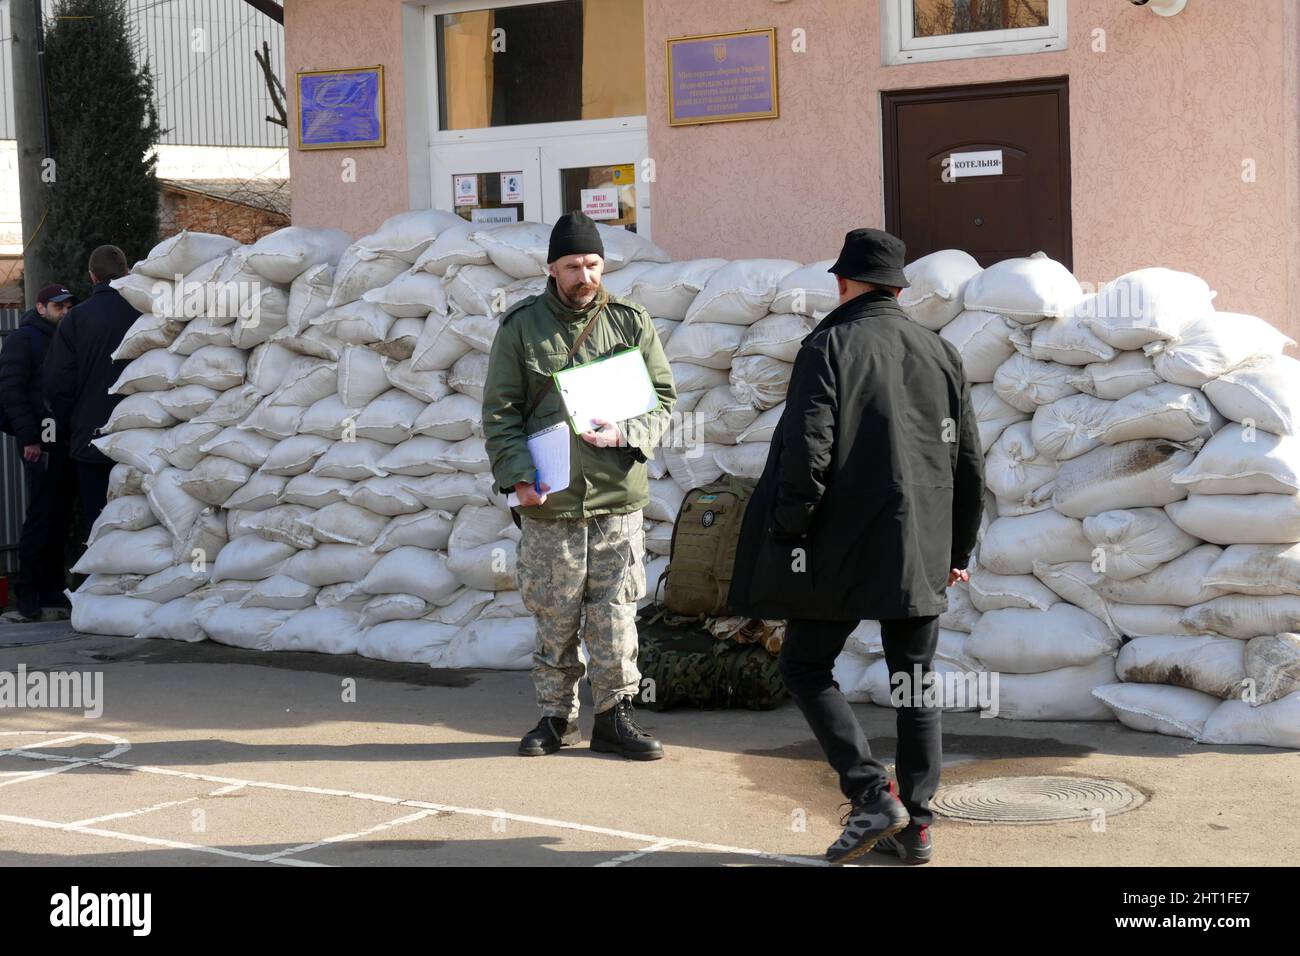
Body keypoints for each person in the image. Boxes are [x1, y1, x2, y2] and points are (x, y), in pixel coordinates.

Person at [727, 228, 985, 865]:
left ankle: (871, 792)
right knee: (915, 687)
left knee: (805, 667)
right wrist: (957, 549)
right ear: (898, 288)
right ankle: (916, 827)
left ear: (842, 284)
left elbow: (807, 450)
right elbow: (968, 462)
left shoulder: (830, 344)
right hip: (920, 547)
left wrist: (787, 531)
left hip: (836, 547)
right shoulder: (941, 351)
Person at [482, 212, 676, 760]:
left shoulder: (630, 322)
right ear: (551, 268)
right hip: (552, 500)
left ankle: (616, 717)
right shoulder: (521, 326)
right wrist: (518, 476)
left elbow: (663, 398)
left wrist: (627, 431)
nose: (585, 275)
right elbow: (501, 412)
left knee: (616, 610)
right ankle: (556, 717)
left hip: (617, 497)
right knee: (555, 610)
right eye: (573, 266)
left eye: (593, 264)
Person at [42, 245, 141, 536]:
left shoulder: (76, 319)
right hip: (143, 441)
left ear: (92, 277)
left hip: (92, 440)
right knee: (143, 527)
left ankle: (100, 579)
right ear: (127, 272)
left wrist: (69, 421)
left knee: (100, 528)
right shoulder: (146, 312)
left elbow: (56, 381)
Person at [0, 283, 78, 622]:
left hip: (65, 439)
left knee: (60, 517)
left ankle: (52, 587)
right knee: (41, 516)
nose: (65, 312)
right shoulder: (24, 339)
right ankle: (28, 593)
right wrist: (29, 437)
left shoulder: (64, 338)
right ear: (41, 307)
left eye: (68, 307)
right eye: (59, 307)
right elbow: (11, 390)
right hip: (40, 442)